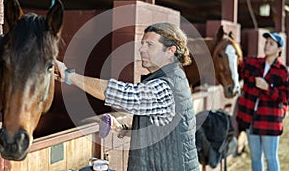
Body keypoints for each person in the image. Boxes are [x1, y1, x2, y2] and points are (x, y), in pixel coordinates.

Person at [56, 22, 200, 171]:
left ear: (170, 51)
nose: (141, 49)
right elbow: (162, 128)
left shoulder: (166, 86)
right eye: (142, 44)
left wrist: (70, 76)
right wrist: (124, 129)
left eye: (149, 45)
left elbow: (123, 94)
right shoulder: (176, 77)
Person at [236, 32, 289, 171]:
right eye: (266, 42)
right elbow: (237, 62)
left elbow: (285, 97)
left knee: (271, 157)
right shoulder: (253, 64)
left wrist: (268, 88)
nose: (267, 45)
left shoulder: (283, 72)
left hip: (269, 121)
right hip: (250, 119)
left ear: (279, 50)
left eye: (271, 44)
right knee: (255, 157)